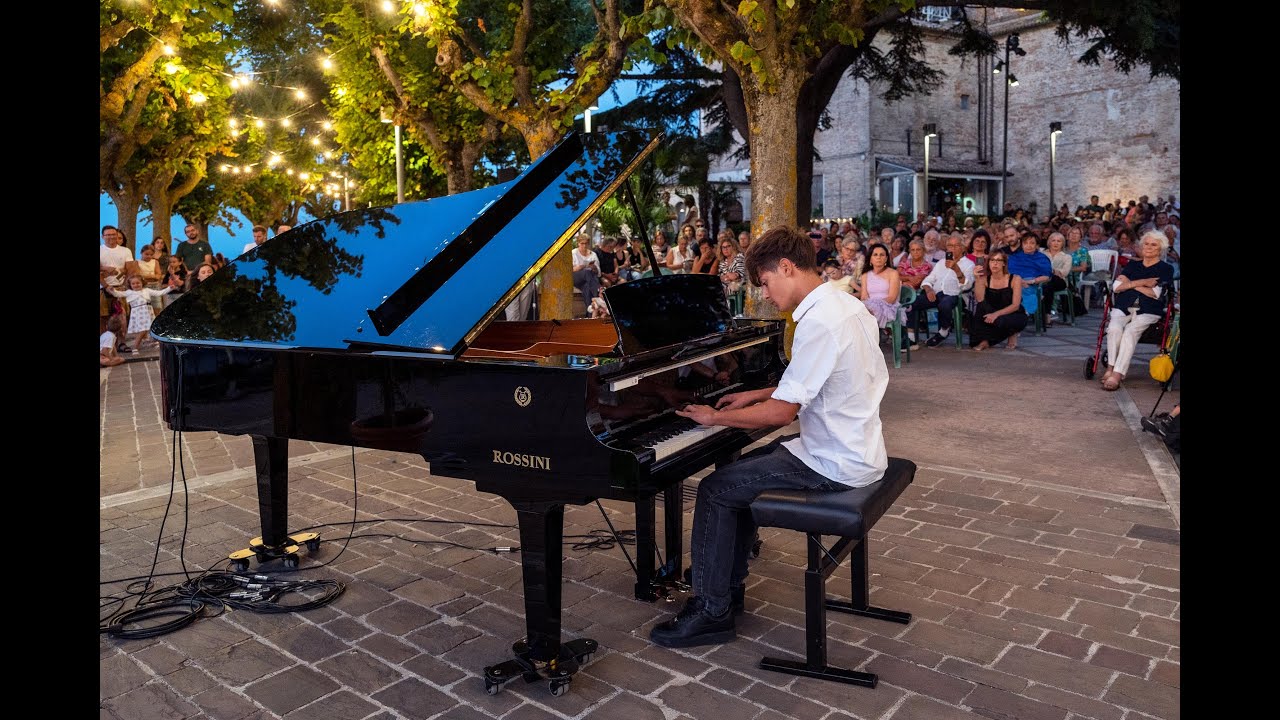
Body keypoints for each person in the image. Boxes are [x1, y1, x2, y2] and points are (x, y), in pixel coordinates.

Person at [648, 226, 889, 648]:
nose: (764, 294)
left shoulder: (819, 322)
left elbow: (781, 414)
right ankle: (727, 588)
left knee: (716, 489)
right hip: (856, 446)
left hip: (834, 461)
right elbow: (815, 381)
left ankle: (711, 611)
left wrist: (715, 417)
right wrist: (755, 393)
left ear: (787, 267)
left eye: (764, 282)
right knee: (741, 474)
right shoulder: (845, 305)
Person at [1100, 231, 1174, 391]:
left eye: (1153, 244)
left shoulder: (1165, 268)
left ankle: (1117, 374)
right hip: (1124, 306)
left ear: (1161, 248)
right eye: (1146, 243)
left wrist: (1130, 284)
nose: (1149, 247)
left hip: (1149, 309)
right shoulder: (1132, 265)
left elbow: (1155, 293)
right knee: (1113, 329)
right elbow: (1116, 287)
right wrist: (1143, 282)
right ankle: (1110, 368)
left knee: (1130, 332)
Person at [910, 235, 975, 347]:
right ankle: (911, 338)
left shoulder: (969, 264)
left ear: (963, 248)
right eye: (950, 245)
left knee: (945, 304)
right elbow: (929, 279)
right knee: (912, 302)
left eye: (956, 245)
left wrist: (957, 270)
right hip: (935, 293)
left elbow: (967, 286)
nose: (952, 248)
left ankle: (943, 331)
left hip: (953, 294)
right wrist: (928, 289)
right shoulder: (941, 262)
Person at [968, 249, 1028, 350]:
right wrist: (977, 279)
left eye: (998, 260)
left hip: (1012, 313)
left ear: (1004, 263)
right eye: (992, 260)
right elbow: (979, 299)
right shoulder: (984, 279)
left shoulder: (1015, 279)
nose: (995, 263)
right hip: (992, 311)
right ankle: (984, 341)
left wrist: (996, 314)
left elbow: (1015, 305)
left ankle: (1012, 333)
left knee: (1000, 321)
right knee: (980, 309)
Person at [107, 275, 174, 352]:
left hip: (147, 312)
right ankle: (135, 346)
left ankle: (150, 341)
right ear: (130, 285)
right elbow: (118, 294)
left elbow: (159, 293)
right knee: (143, 329)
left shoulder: (146, 290)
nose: (136, 285)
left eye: (138, 283)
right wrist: (113, 290)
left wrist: (169, 288)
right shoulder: (129, 292)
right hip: (138, 313)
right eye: (133, 284)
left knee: (150, 328)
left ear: (142, 282)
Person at [858, 243, 905, 349]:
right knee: (854, 314)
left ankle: (870, 346)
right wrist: (866, 307)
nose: (878, 257)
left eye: (882, 255)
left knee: (867, 314)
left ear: (886, 258)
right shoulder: (865, 275)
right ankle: (863, 348)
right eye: (875, 255)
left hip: (888, 306)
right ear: (870, 258)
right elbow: (864, 297)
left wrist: (874, 306)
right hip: (869, 306)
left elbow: (892, 298)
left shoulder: (893, 273)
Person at [571, 234, 601, 312]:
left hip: (589, 279)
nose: (584, 246)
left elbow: (598, 273)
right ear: (578, 243)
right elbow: (569, 270)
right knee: (587, 272)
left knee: (587, 288)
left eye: (586, 243)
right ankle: (597, 297)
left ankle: (590, 313)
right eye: (582, 243)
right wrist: (580, 267)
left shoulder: (593, 254)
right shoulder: (573, 253)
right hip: (576, 277)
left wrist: (594, 268)